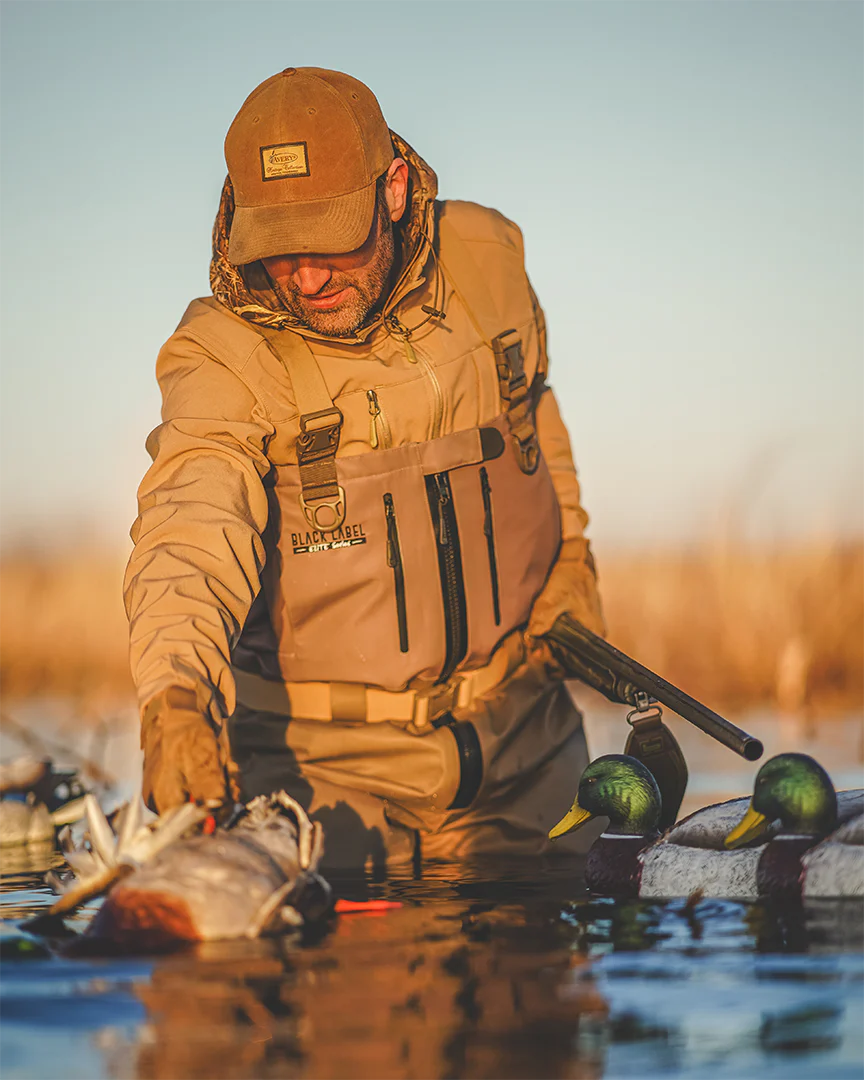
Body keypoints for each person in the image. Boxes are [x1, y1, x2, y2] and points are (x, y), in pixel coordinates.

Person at [125, 67, 605, 870]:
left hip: (533, 752)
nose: (305, 279)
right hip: (324, 791)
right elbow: (189, 530)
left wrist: (573, 560)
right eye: (278, 249)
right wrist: (175, 698)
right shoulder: (221, 354)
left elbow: (536, 427)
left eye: (329, 239)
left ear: (394, 188)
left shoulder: (489, 260)